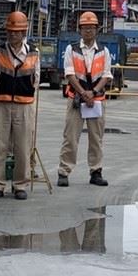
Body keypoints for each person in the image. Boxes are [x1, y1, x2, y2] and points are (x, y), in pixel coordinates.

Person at [0, 11, 39, 200]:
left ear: (24, 32)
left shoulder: (34, 52)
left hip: (24, 105)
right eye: (10, 31)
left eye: (16, 31)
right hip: (1, 103)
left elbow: (36, 78)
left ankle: (20, 185)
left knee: (23, 147)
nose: (13, 34)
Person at [58, 12, 113, 188]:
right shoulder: (71, 49)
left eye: (91, 28)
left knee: (96, 138)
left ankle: (96, 171)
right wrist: (83, 93)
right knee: (70, 137)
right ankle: (64, 171)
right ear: (80, 30)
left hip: (96, 100)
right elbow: (70, 74)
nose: (88, 31)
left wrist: (93, 92)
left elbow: (106, 75)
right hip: (77, 98)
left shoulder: (104, 51)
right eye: (85, 28)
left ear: (97, 30)